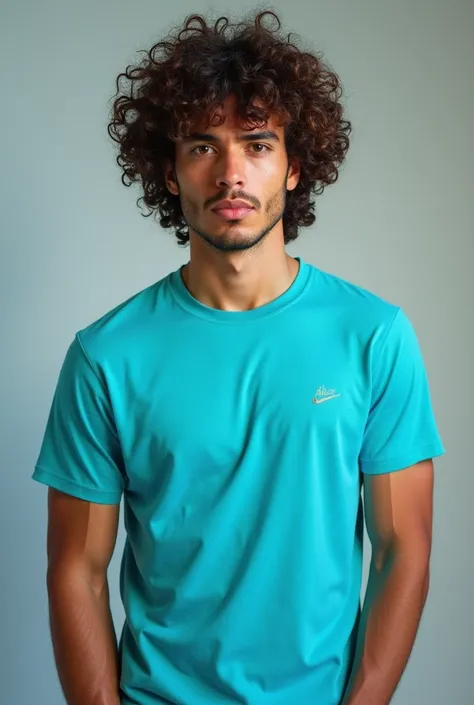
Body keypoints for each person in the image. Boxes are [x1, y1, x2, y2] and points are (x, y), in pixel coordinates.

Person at [32, 10, 445, 705]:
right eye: (202, 146)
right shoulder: (105, 356)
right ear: (169, 172)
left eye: (257, 144)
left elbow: (404, 549)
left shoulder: (374, 335)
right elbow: (76, 567)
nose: (231, 173)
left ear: (294, 166)